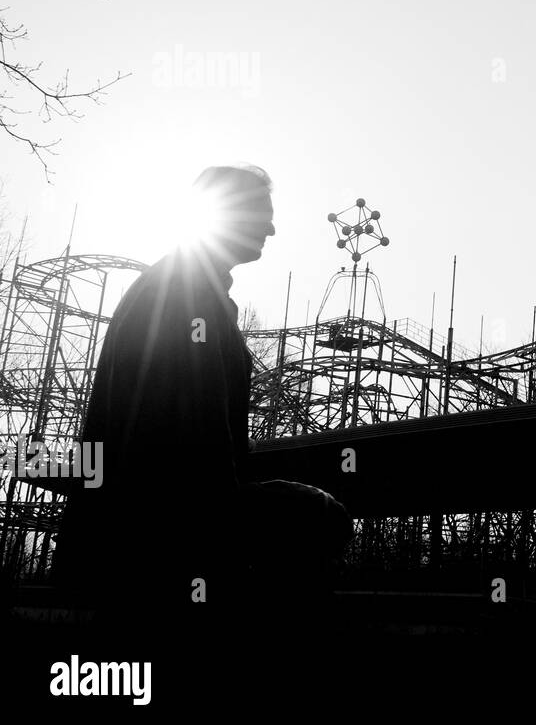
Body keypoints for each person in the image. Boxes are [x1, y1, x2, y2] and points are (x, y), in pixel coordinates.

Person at [52, 165, 351, 629]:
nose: (272, 227)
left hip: (140, 508)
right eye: (260, 214)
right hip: (165, 517)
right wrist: (231, 513)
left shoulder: (179, 285)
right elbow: (196, 425)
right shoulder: (190, 295)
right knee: (320, 517)